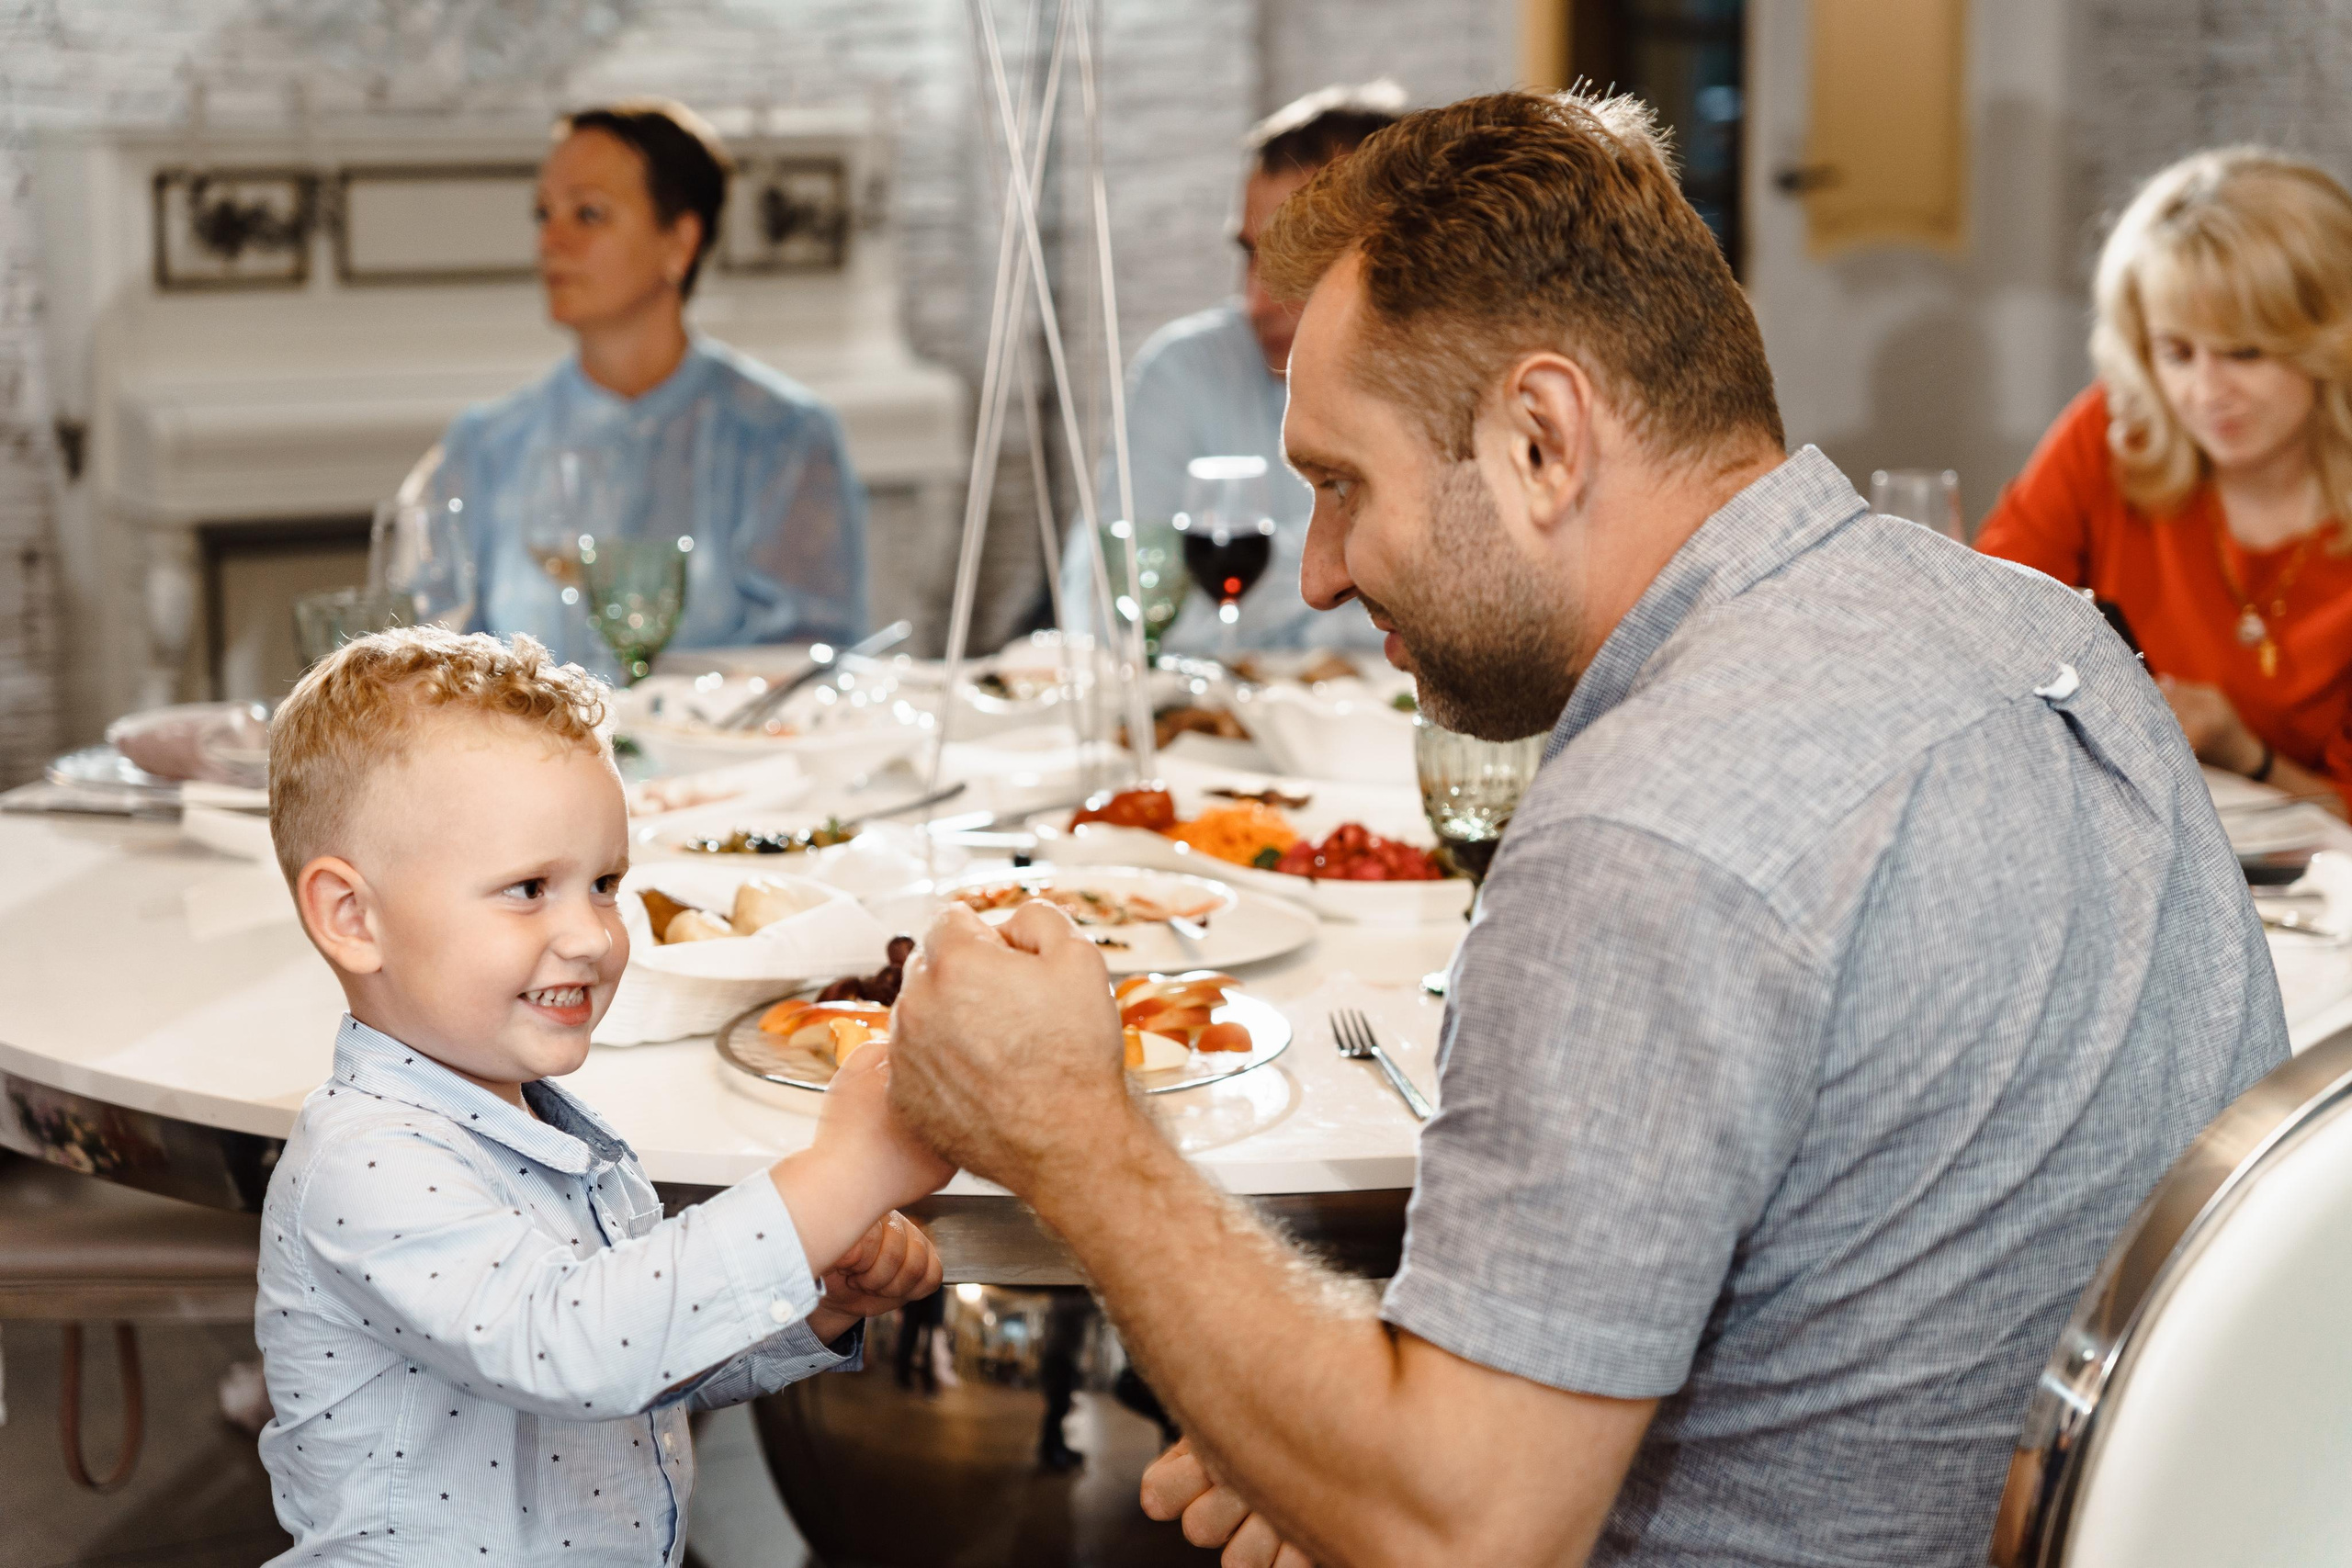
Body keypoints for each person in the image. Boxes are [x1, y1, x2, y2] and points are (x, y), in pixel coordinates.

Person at [886, 91, 2286, 1567]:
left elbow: (1466, 1535)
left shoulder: (1646, 830)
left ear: (1543, 438)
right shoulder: (2043, 632)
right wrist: (1367, 1395)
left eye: (1342, 484)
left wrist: (1075, 1129)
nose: (1315, 571)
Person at [253, 627, 950, 1562]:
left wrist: (812, 1304)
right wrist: (841, 1174)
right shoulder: (366, 1163)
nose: (590, 935)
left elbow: (648, 1358)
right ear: (353, 917)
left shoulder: (540, 1126)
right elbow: (576, 1349)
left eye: (606, 884)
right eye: (530, 888)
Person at [437, 98, 869, 677]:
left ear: (679, 243)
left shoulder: (783, 438)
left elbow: (810, 664)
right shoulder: (486, 444)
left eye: (588, 214)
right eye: (544, 214)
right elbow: (438, 658)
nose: (551, 242)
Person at [1978, 148, 2352, 816]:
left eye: (2246, 352)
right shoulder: (2115, 430)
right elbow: (1986, 627)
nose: (2207, 392)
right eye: (2176, 351)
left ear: (2330, 342)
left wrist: (2242, 750)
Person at [1056, 82, 1405, 655]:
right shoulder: (1181, 373)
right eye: (1249, 254)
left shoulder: (1459, 386)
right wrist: (1367, 575)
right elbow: (1110, 615)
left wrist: (1244, 599)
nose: (1257, 300)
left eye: (1295, 262)